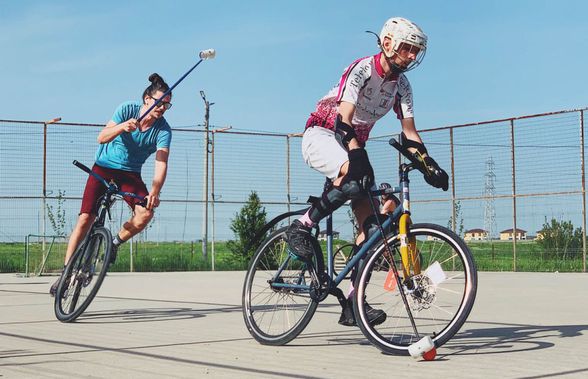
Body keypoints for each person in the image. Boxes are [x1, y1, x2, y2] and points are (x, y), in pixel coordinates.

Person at [286, 17, 449, 326]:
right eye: (407, 48)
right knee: (354, 176)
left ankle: (352, 301)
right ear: (387, 44)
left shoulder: (402, 87)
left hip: (351, 146)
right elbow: (343, 118)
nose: (412, 56)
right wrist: (356, 153)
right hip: (323, 133)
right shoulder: (362, 69)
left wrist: (430, 165)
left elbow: (410, 133)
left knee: (373, 227)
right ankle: (302, 225)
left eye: (416, 51)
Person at [50, 73, 173, 296]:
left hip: (130, 176)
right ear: (147, 99)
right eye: (159, 102)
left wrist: (155, 191)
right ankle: (65, 273)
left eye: (167, 104)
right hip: (103, 168)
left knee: (146, 213)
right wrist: (123, 127)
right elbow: (102, 137)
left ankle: (113, 243)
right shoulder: (127, 109)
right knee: (86, 218)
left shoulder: (163, 130)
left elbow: (161, 162)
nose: (162, 108)